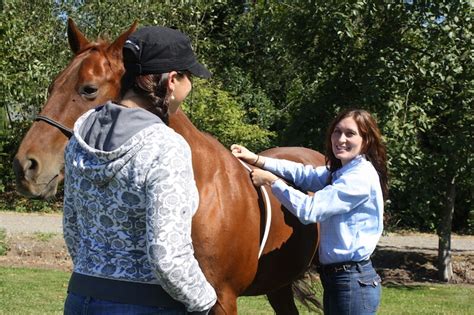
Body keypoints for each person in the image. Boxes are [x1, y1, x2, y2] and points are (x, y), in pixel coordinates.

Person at [62, 26, 217, 314]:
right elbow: (167, 256)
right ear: (172, 80)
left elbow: (73, 230)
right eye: (189, 77)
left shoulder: (79, 139)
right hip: (146, 304)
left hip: (80, 297)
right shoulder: (166, 146)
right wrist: (205, 301)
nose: (190, 87)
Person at [231, 109, 388, 315]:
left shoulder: (358, 177)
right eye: (337, 132)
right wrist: (258, 159)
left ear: (366, 141)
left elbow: (310, 210)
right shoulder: (343, 170)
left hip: (351, 281)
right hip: (341, 279)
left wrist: (272, 182)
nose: (341, 139)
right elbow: (304, 174)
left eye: (350, 134)